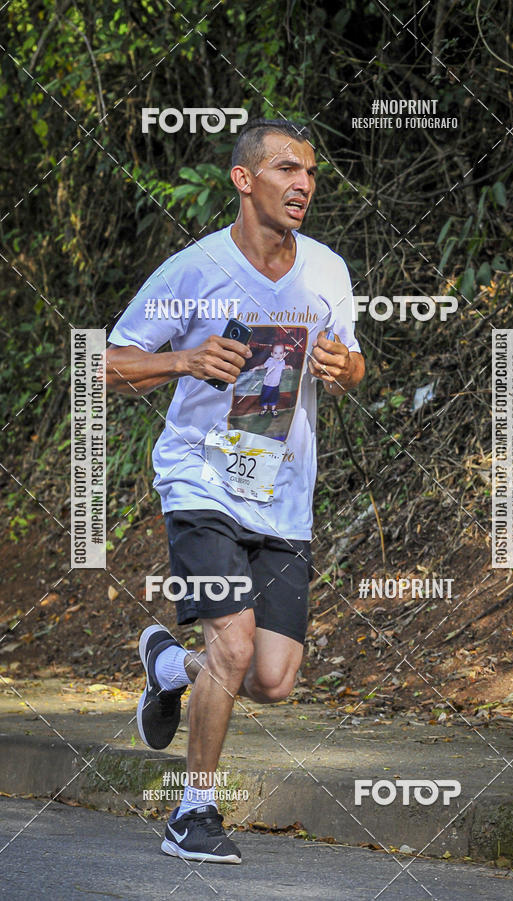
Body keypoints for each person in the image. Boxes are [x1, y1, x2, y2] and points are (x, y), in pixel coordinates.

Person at [106, 117, 365, 864]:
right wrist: (184, 360)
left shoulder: (327, 272)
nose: (303, 184)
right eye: (286, 169)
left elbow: (354, 366)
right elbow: (106, 364)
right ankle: (192, 812)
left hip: (282, 495)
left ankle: (169, 667)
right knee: (234, 639)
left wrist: (342, 368)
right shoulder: (193, 270)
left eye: (309, 173)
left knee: (271, 678)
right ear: (244, 180)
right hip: (201, 480)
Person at [251, 340, 293, 415]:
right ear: (272, 354)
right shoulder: (270, 360)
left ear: (284, 354)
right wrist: (255, 368)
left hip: (275, 385)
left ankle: (273, 410)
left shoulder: (282, 362)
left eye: (280, 353)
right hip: (267, 384)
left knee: (274, 398)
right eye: (275, 353)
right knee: (264, 397)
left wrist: (288, 366)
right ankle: (265, 409)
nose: (278, 355)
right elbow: (263, 366)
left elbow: (283, 367)